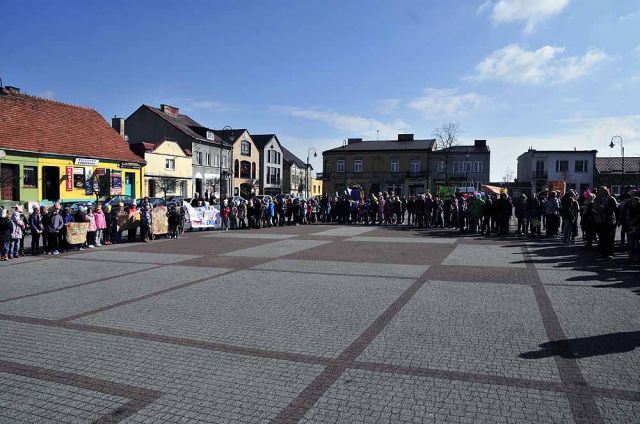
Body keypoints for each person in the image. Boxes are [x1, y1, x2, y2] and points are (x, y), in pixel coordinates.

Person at [593, 186, 618, 259]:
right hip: (600, 220)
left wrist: (605, 208)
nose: (600, 192)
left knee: (609, 238)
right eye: (600, 190)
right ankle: (603, 253)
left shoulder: (611, 198)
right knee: (602, 238)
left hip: (609, 221)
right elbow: (594, 206)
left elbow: (615, 209)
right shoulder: (598, 199)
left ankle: (610, 253)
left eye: (602, 190)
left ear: (606, 191)